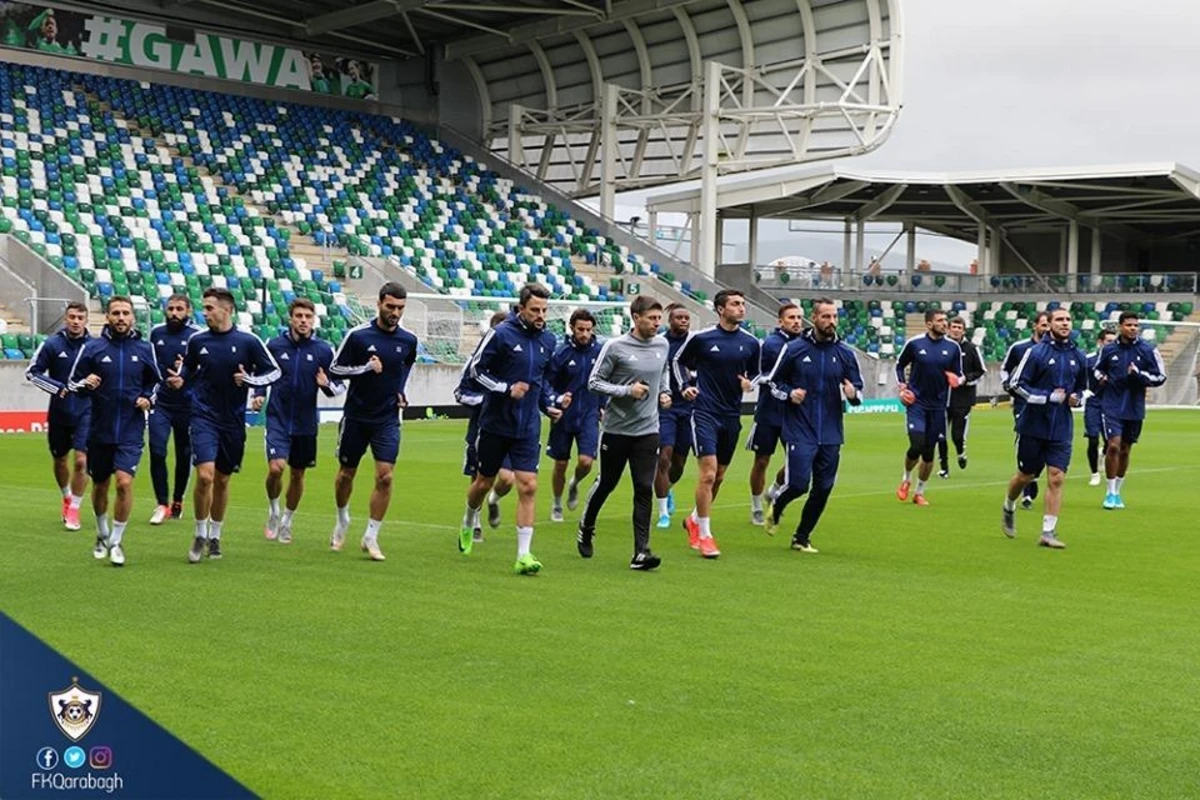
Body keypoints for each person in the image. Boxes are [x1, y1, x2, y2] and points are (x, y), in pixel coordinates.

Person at [457, 283, 568, 574]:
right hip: (495, 423)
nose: (540, 315)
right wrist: (506, 388)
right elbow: (475, 371)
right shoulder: (501, 334)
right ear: (521, 309)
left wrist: (549, 404)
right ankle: (469, 517)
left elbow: (540, 380)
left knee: (529, 486)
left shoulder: (548, 340)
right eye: (535, 310)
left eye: (544, 310)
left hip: (528, 426)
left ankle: (523, 555)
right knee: (483, 482)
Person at [172, 288, 280, 564]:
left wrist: (251, 383)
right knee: (205, 476)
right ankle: (199, 532)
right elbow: (188, 371)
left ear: (227, 310)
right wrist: (180, 379)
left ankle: (216, 536)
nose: (204, 313)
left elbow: (274, 371)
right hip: (203, 416)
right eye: (204, 308)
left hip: (232, 420)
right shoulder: (197, 341)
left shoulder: (248, 341)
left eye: (209, 308)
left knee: (221, 479)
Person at [576, 297, 672, 569]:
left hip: (648, 429)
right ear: (635, 317)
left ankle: (641, 552)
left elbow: (662, 371)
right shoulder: (615, 347)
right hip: (617, 430)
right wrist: (626, 391)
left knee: (643, 487)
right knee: (608, 482)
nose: (657, 323)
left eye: (658, 318)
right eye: (651, 318)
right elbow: (594, 383)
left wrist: (664, 392)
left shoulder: (662, 344)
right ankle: (586, 525)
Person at [763, 298, 863, 552]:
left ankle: (801, 537)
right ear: (814, 318)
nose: (831, 322)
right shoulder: (795, 349)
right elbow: (773, 383)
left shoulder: (844, 353)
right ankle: (777, 505)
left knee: (824, 488)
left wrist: (853, 395)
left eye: (834, 317)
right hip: (799, 428)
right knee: (798, 484)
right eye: (826, 317)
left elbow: (857, 390)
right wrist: (790, 394)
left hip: (831, 431)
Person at [66, 297, 160, 566]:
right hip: (99, 429)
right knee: (100, 484)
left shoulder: (144, 349)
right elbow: (73, 382)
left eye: (126, 313)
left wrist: (147, 398)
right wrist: (86, 382)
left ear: (133, 317)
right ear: (107, 316)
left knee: (124, 483)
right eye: (116, 313)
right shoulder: (93, 348)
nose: (121, 317)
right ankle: (101, 531)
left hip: (130, 428)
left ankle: (117, 541)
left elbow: (155, 383)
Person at [328, 283, 418, 561]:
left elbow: (405, 367)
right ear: (379, 303)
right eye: (390, 306)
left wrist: (400, 391)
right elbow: (335, 369)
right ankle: (343, 518)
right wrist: (365, 368)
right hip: (356, 417)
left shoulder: (409, 340)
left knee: (386, 477)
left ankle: (372, 535)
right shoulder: (358, 336)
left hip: (387, 418)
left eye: (400, 308)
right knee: (346, 474)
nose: (395, 312)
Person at [673, 289, 761, 558]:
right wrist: (685, 386)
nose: (741, 308)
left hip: (731, 415)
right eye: (735, 304)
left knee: (719, 477)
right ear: (721, 309)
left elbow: (758, 373)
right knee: (708, 474)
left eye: (743, 304)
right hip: (704, 412)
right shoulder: (701, 339)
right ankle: (706, 535)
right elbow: (677, 362)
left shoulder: (751, 342)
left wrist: (750, 383)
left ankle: (693, 520)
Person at [252, 299, 344, 545]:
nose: (303, 320)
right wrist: (258, 395)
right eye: (299, 316)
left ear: (314, 320)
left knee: (297, 475)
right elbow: (261, 373)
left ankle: (287, 521)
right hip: (278, 418)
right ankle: (273, 510)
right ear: (290, 318)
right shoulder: (274, 346)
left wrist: (326, 386)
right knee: (276, 468)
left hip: (305, 423)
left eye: (308, 316)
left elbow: (338, 386)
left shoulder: (324, 350)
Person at [1000, 308, 1088, 548]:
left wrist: (1076, 399)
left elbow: (1083, 388)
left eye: (1068, 319)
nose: (1065, 323)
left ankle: (1048, 532)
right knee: (1026, 475)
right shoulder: (1035, 352)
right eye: (1060, 319)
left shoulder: (1079, 355)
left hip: (1061, 425)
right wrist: (1045, 397)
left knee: (1057, 477)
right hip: (1033, 424)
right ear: (1049, 324)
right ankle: (1009, 504)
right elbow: (1016, 384)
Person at [25, 301, 91, 531]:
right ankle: (66, 496)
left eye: (80, 317)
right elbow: (32, 372)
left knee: (82, 461)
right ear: (65, 319)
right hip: (60, 412)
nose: (75, 321)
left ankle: (74, 508)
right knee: (60, 460)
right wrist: (57, 387)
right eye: (72, 317)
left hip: (87, 411)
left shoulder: (95, 346)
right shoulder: (52, 344)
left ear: (86, 320)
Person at [1094, 311, 1166, 509]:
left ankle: (1117, 491)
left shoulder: (1148, 350)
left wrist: (1139, 374)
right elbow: (1097, 368)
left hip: (1134, 406)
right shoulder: (1108, 350)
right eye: (1129, 325)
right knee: (1114, 446)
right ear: (1120, 327)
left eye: (1135, 325)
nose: (1133, 328)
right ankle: (1109, 492)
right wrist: (1101, 377)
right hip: (1112, 404)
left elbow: (1160, 377)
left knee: (1125, 450)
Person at [456, 311, 515, 543]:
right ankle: (473, 520)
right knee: (479, 477)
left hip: (511, 428)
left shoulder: (515, 363)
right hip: (482, 427)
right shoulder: (474, 363)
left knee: (508, 479)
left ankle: (493, 501)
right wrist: (486, 400)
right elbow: (461, 393)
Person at [894, 310, 964, 506]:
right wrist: (902, 385)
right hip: (916, 403)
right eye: (940, 321)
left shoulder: (952, 348)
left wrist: (957, 379)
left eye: (945, 320)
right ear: (928, 324)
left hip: (938, 406)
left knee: (929, 453)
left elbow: (960, 374)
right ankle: (906, 478)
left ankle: (919, 492)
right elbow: (899, 365)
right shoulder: (915, 344)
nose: (944, 324)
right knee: (916, 444)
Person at [147, 294, 202, 524]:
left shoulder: (197, 337)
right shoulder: (156, 333)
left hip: (188, 404)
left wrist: (187, 372)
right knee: (157, 450)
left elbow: (205, 369)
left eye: (180, 309)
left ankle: (178, 499)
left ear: (188, 311)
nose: (175, 313)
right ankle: (161, 503)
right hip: (161, 402)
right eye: (171, 308)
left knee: (184, 454)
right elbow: (149, 363)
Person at [746, 303, 804, 525]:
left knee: (797, 459)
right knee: (761, 460)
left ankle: (773, 490)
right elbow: (762, 376)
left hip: (795, 412)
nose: (796, 321)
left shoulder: (805, 344)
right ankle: (755, 505)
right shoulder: (770, 345)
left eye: (799, 317)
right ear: (781, 321)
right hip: (770, 411)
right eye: (791, 317)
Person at [546, 309, 605, 522]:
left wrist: (603, 405)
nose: (584, 334)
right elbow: (548, 384)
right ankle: (556, 502)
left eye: (588, 330)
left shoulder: (600, 352)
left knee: (586, 462)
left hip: (589, 414)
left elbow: (605, 381)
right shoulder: (561, 353)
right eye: (580, 329)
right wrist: (556, 400)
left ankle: (575, 483)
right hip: (564, 416)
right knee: (560, 463)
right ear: (572, 328)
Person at [1000, 312, 1050, 509]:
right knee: (1025, 438)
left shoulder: (1054, 351)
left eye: (1048, 325)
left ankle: (1033, 475)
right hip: (1023, 402)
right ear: (1035, 326)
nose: (1046, 329)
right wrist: (1006, 383)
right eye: (1043, 325)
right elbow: (1005, 368)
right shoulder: (1019, 348)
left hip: (1048, 405)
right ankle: (1028, 487)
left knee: (1045, 441)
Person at [654, 303, 693, 529]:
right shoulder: (660, 342)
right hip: (665, 407)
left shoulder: (695, 344)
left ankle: (666, 489)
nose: (683, 320)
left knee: (678, 463)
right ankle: (662, 513)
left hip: (689, 409)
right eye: (679, 317)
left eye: (686, 317)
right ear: (670, 320)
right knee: (664, 456)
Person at [937, 316, 986, 477]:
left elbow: (981, 371)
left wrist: (964, 379)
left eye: (959, 327)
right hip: (941, 398)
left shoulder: (971, 348)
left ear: (964, 330)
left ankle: (960, 452)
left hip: (962, 399)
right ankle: (944, 467)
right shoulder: (941, 346)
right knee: (940, 434)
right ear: (949, 329)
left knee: (957, 435)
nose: (956, 330)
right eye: (954, 327)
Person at [1083, 328, 1116, 486]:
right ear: (1100, 342)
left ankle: (1103, 454)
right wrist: (1083, 392)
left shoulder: (1117, 360)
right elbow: (1078, 376)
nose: (1112, 344)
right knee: (1092, 438)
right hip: (1094, 402)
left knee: (1112, 441)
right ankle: (1094, 473)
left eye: (1113, 341)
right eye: (1109, 341)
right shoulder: (1088, 360)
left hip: (1111, 403)